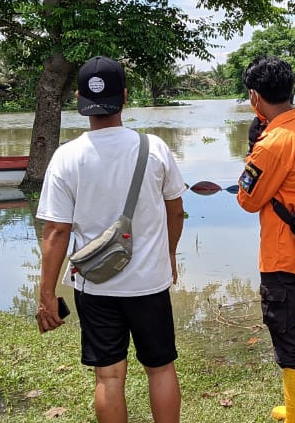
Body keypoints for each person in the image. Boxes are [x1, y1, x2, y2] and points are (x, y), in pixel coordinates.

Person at [36, 55, 187, 423]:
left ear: (79, 100)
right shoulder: (155, 148)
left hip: (95, 286)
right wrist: (168, 254)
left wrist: (46, 293)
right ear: (125, 97)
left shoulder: (66, 157)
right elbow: (175, 210)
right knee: (161, 368)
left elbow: (57, 232)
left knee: (108, 375)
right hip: (150, 283)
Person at [236, 55, 295, 423]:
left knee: (287, 331)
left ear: (255, 98)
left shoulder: (272, 143)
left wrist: (252, 150)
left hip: (282, 255)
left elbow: (248, 200)